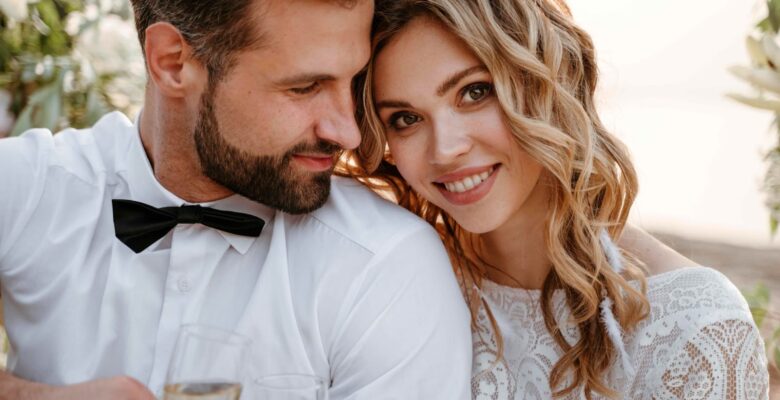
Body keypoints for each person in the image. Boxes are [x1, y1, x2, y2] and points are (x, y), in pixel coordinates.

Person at [0, 0, 473, 398]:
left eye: (352, 80)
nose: (346, 131)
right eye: (305, 86)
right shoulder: (30, 184)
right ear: (173, 63)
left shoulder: (385, 268)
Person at [345, 0, 770, 398]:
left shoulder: (694, 327)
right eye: (406, 119)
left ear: (546, 79)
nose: (444, 149)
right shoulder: (392, 289)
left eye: (474, 92)